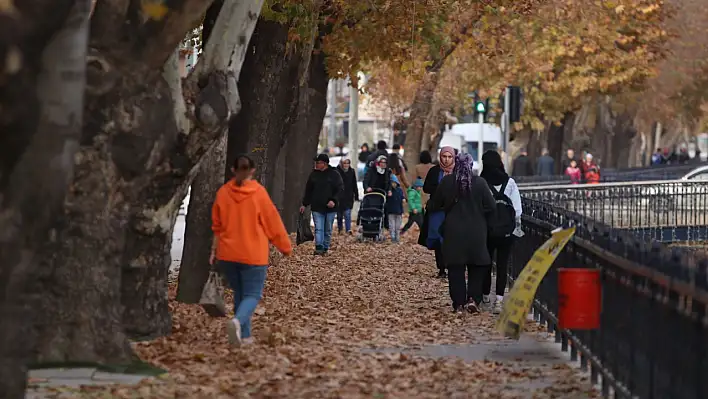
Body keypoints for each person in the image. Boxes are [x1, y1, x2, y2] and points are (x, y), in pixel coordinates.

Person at [211, 154, 292, 347]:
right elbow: (272, 223)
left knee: (240, 292)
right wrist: (285, 247)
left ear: (233, 170)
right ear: (253, 171)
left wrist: (214, 251)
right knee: (253, 294)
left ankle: (245, 336)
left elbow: (217, 226)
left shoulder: (223, 193)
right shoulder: (258, 193)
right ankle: (238, 322)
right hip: (252, 253)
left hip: (227, 253)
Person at [432, 153, 496, 313]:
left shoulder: (447, 182)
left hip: (453, 232)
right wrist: (480, 212)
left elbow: (435, 203)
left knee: (455, 268)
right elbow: (492, 205)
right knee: (476, 266)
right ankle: (473, 299)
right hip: (476, 231)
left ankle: (459, 302)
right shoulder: (480, 183)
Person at [479, 150, 522, 314]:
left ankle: (485, 297)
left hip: (487, 231)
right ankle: (499, 300)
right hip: (506, 232)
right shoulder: (509, 182)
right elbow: (517, 209)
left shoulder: (481, 182)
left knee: (486, 264)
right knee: (503, 265)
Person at [418, 146, 455, 279]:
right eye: (444, 156)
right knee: (438, 239)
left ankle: (452, 266)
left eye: (449, 157)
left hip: (452, 210)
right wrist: (440, 189)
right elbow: (426, 187)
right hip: (437, 210)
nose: (446, 160)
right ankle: (441, 268)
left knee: (451, 239)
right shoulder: (434, 171)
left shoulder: (456, 171)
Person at [300, 154, 344, 255]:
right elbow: (308, 191)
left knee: (327, 229)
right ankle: (319, 247)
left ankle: (325, 247)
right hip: (317, 206)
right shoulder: (313, 175)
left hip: (331, 208)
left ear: (324, 164)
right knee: (318, 228)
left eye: (318, 163)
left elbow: (340, 189)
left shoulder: (334, 175)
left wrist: (334, 200)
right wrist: (304, 204)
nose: (316, 164)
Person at [336, 158, 359, 234]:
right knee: (339, 215)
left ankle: (348, 229)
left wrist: (356, 195)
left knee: (347, 214)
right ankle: (340, 229)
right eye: (345, 163)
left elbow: (354, 184)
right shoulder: (337, 171)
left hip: (349, 196)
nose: (346, 165)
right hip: (339, 197)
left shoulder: (351, 171)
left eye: (347, 163)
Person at [386, 175, 405, 243]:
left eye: (394, 183)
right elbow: (387, 200)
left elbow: (402, 196)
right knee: (392, 225)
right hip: (391, 210)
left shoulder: (400, 190)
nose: (393, 184)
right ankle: (393, 237)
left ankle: (397, 237)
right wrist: (388, 195)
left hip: (399, 211)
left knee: (397, 226)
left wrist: (403, 199)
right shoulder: (389, 191)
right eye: (392, 183)